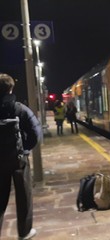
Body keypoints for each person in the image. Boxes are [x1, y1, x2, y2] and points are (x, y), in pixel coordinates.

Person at [0, 73, 41, 239]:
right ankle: (24, 232)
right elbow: (35, 134)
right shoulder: (20, 109)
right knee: (24, 196)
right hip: (18, 160)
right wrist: (24, 149)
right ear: (11, 88)